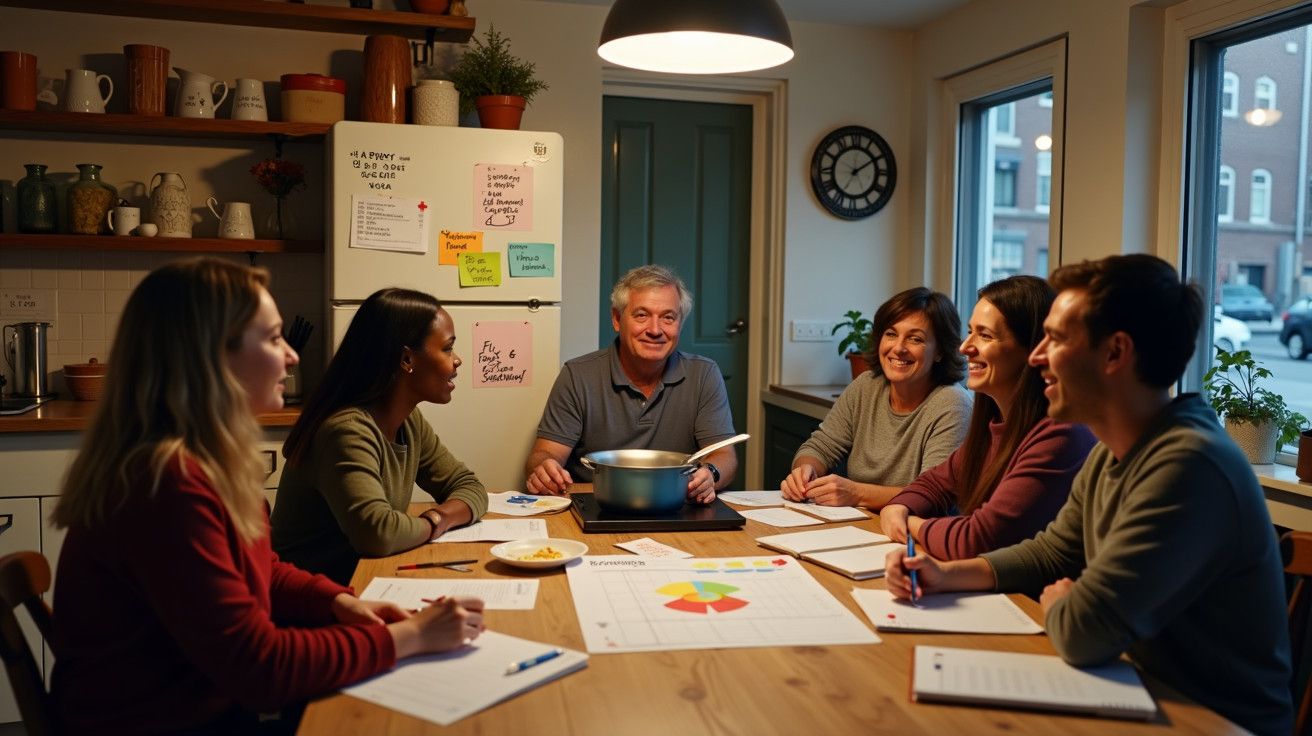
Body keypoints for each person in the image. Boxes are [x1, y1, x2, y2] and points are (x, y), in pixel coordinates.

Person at [50, 258, 484, 735]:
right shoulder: (167, 484)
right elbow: (260, 670)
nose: (294, 357)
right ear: (212, 357)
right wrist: (412, 637)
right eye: (275, 339)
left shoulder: (204, 461)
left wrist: (340, 602)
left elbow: (261, 566)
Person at [885, 255, 1292, 736]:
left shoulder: (1189, 465)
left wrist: (1063, 602)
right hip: (1134, 691)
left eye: (1055, 340)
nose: (1037, 357)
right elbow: (1051, 552)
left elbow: (1084, 632)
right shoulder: (1113, 451)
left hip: (1210, 720)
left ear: (1115, 353)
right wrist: (945, 575)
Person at [272, 288, 488, 585]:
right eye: (448, 348)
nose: (457, 360)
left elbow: (469, 486)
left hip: (361, 583)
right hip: (311, 605)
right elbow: (378, 535)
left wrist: (440, 519)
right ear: (406, 359)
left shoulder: (409, 421)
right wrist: (435, 521)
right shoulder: (346, 431)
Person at [878, 276, 1095, 558]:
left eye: (985, 335)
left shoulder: (1059, 436)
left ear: (1032, 350)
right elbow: (933, 484)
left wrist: (912, 523)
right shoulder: (994, 425)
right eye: (970, 332)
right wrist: (898, 506)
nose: (965, 347)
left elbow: (976, 540)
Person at [524, 264, 737, 502]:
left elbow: (724, 454)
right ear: (617, 319)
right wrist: (544, 469)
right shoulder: (578, 375)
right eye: (642, 315)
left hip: (678, 505)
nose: (655, 330)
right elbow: (545, 453)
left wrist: (711, 473)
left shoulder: (704, 374)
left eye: (668, 317)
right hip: (598, 504)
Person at [780, 287, 972, 508]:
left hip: (918, 535)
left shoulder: (953, 404)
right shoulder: (866, 385)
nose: (898, 348)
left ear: (940, 351)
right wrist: (805, 471)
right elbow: (820, 446)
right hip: (861, 525)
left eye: (915, 339)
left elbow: (932, 495)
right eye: (891, 334)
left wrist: (856, 493)